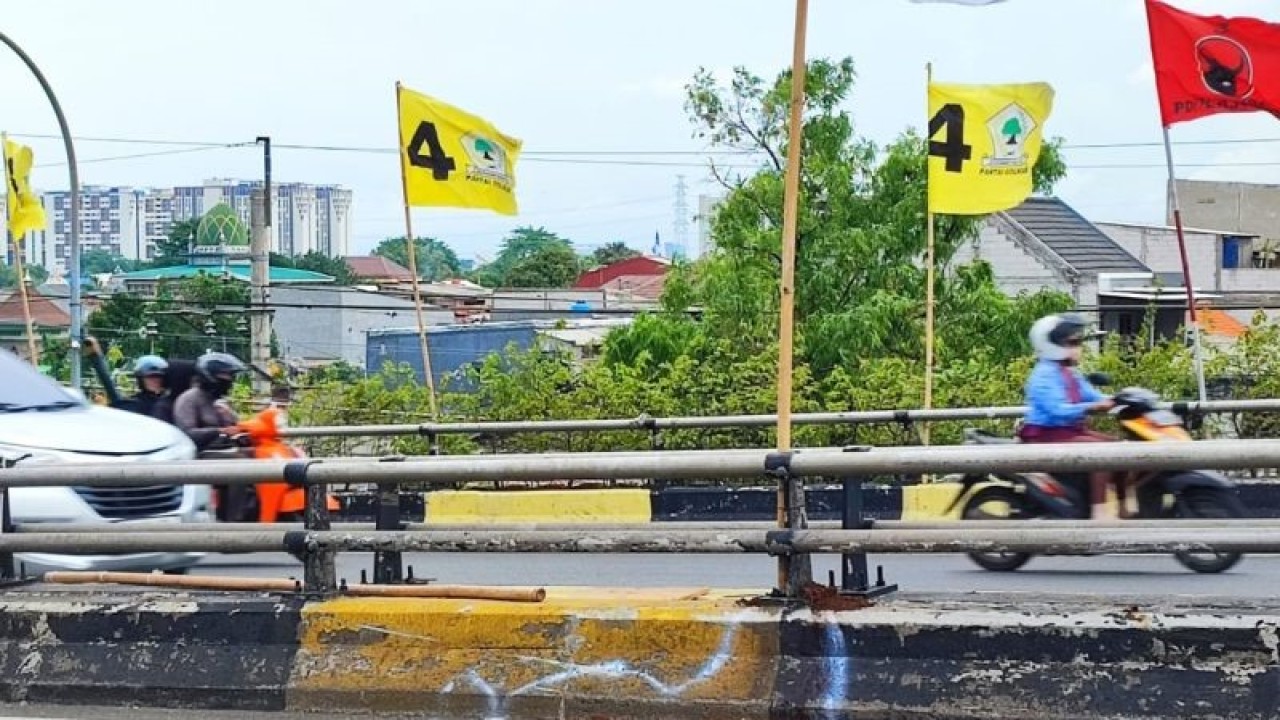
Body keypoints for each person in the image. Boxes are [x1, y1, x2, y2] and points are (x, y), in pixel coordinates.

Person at [1018, 313, 1120, 521]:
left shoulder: (1070, 373)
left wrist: (1119, 399)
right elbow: (1057, 410)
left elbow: (1093, 395)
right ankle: (1099, 516)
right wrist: (1091, 407)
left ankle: (1124, 508)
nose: (1078, 347)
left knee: (1122, 448)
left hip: (1070, 433)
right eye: (1073, 342)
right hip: (1047, 436)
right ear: (1051, 344)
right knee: (1104, 454)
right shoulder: (1043, 374)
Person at [82, 337, 174, 423]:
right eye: (150, 377)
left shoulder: (171, 406)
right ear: (140, 379)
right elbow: (113, 393)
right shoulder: (132, 405)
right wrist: (96, 358)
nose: (154, 381)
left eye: (158, 377)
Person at [173, 352, 246, 451]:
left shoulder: (218, 400)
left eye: (231, 376)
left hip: (226, 451)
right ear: (209, 376)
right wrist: (219, 431)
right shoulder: (189, 398)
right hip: (202, 457)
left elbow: (237, 427)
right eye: (225, 375)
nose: (229, 380)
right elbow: (186, 433)